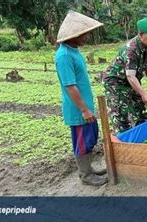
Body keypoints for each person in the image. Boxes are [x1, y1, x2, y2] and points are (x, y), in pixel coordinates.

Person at [55, 11, 107, 186]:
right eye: (84, 33)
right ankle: (85, 176)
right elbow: (70, 86)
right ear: (73, 35)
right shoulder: (64, 56)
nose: (87, 36)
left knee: (90, 137)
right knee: (82, 141)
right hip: (78, 109)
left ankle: (89, 169)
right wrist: (84, 110)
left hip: (85, 106)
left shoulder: (73, 51)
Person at [103, 18, 147, 134]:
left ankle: (144, 136)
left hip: (132, 81)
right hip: (117, 83)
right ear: (141, 34)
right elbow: (130, 76)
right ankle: (123, 143)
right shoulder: (131, 49)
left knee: (140, 107)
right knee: (121, 114)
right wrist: (144, 93)